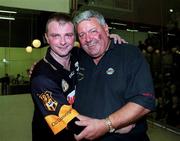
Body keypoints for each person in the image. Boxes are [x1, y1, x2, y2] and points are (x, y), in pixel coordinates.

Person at [30, 13, 128, 141]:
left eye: (68, 35)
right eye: (56, 36)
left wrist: (108, 38)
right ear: (47, 38)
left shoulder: (77, 54)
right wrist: (115, 125)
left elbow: (97, 45)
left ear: (74, 37)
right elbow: (74, 125)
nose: (63, 42)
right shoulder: (42, 78)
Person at [72, 10, 156, 141]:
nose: (88, 39)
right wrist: (39, 67)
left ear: (106, 29)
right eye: (82, 35)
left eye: (93, 31)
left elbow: (144, 100)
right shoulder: (77, 57)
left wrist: (106, 125)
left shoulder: (129, 54)